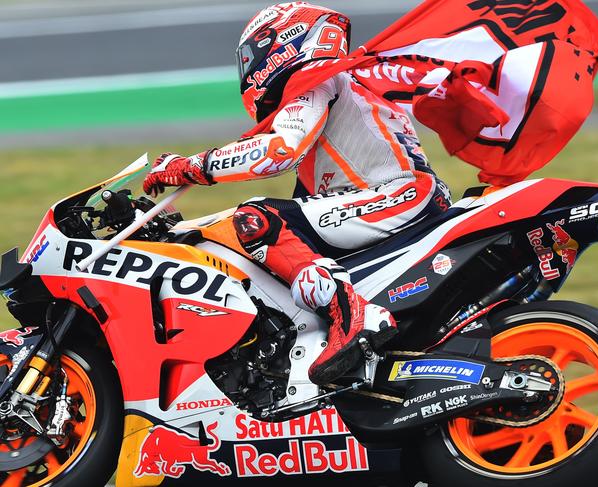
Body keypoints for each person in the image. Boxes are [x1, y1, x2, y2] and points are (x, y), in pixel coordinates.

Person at [142, 2, 452, 385]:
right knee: (267, 235)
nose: (249, 69)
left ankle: (354, 316)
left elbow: (278, 152)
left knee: (254, 219)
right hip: (395, 196)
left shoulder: (316, 79)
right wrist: (182, 228)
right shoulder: (334, 84)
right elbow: (297, 202)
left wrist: (193, 166)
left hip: (398, 196)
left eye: (253, 56)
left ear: (286, 40)